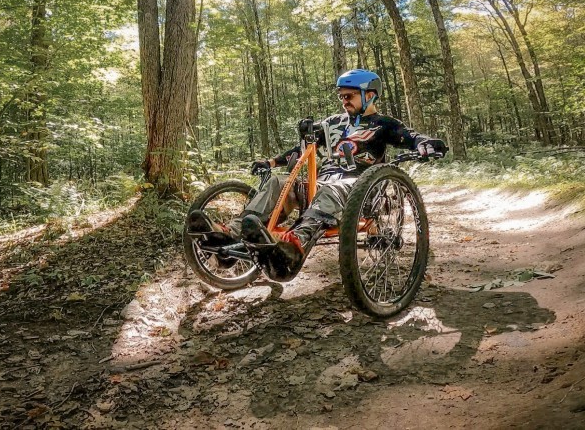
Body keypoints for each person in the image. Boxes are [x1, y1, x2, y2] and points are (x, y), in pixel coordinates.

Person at [187, 69, 447, 282]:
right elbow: (302, 151)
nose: (344, 101)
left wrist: (425, 143)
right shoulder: (332, 122)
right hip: (322, 182)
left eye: (350, 96)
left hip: (361, 188)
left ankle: (294, 246)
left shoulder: (383, 124)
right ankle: (228, 235)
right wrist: (272, 161)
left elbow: (409, 137)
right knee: (279, 181)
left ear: (369, 95)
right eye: (341, 96)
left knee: (329, 190)